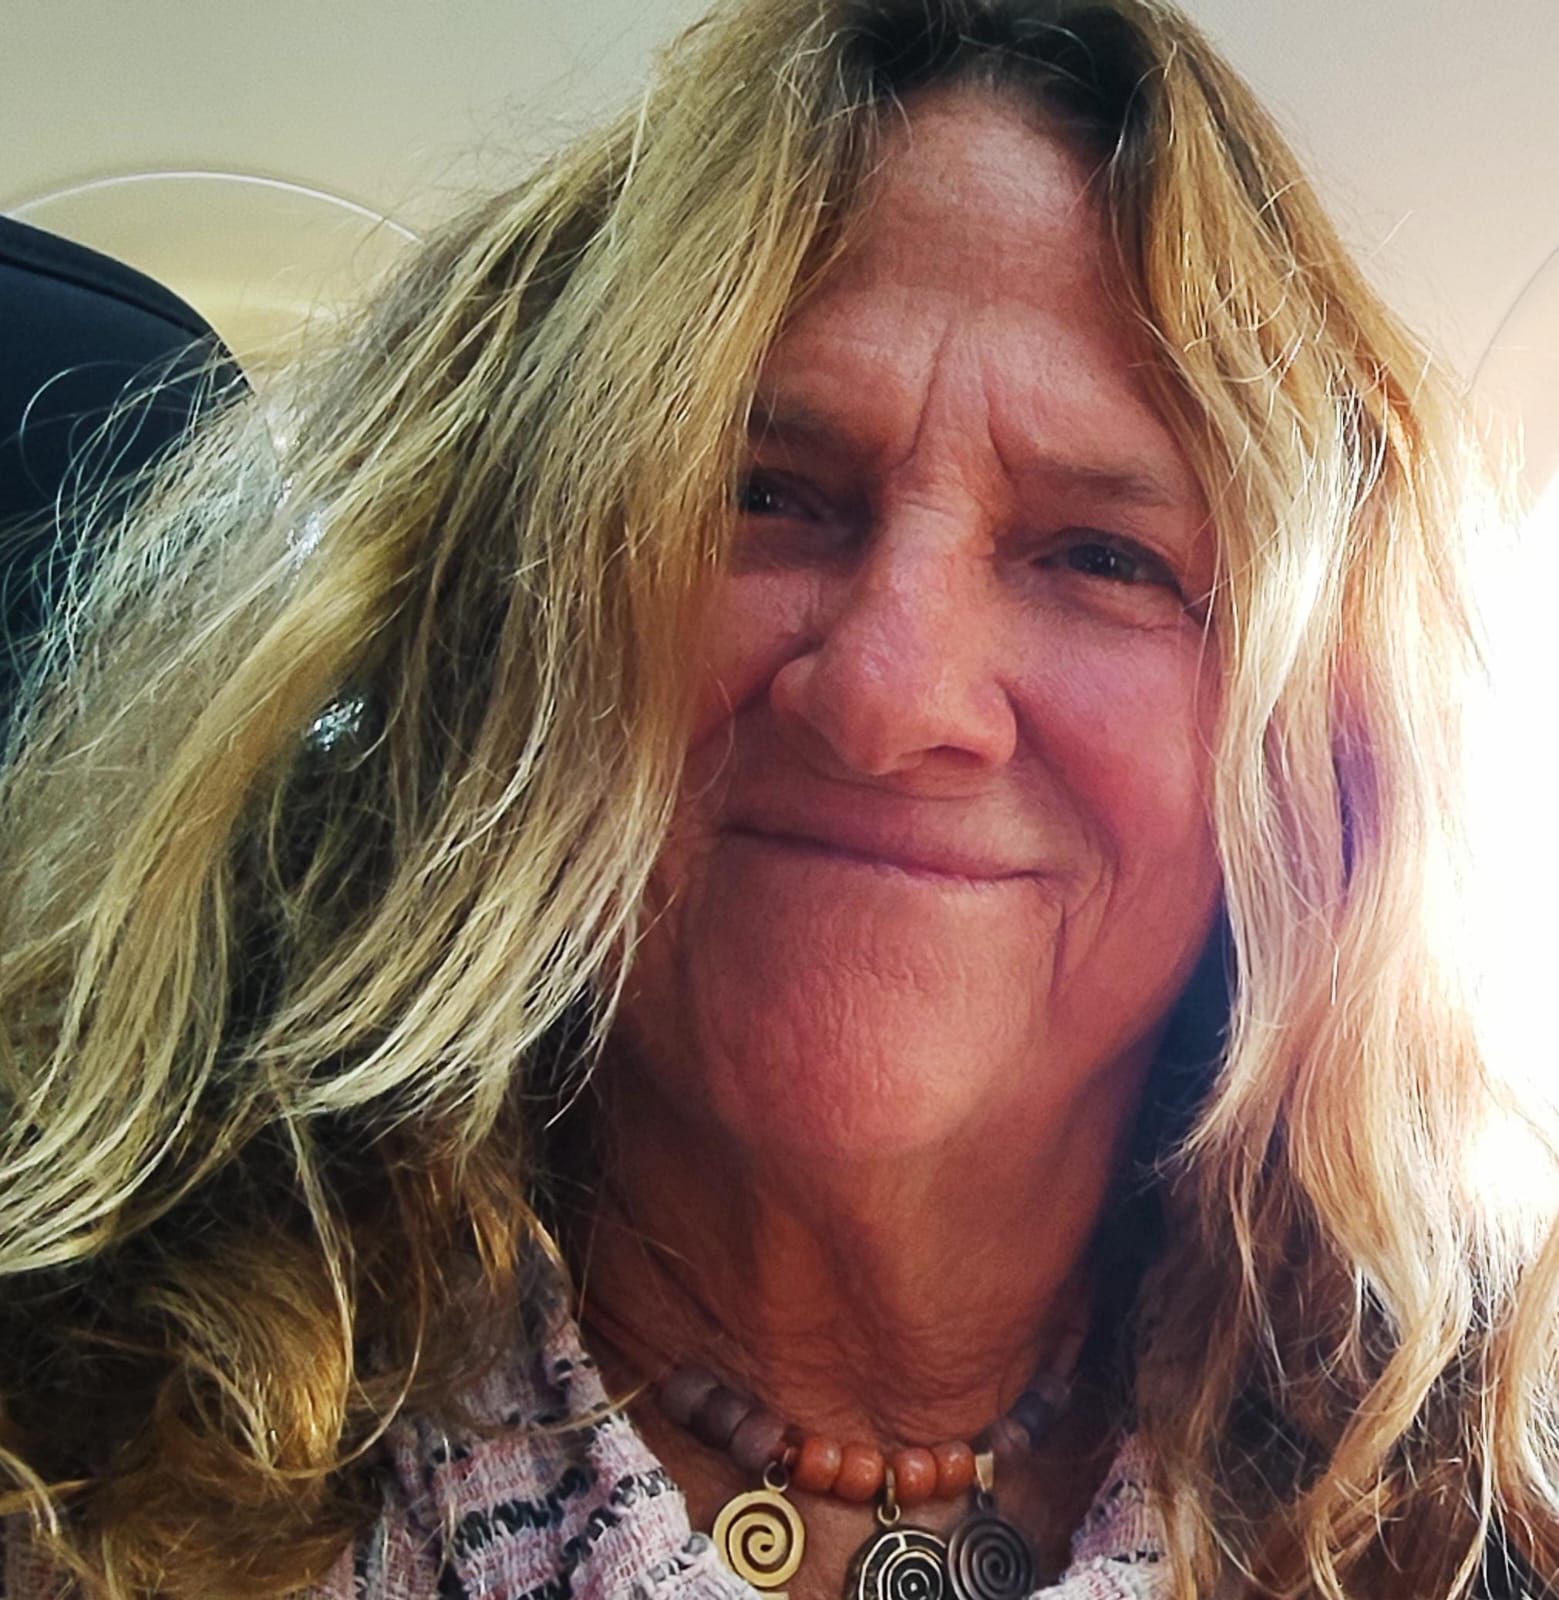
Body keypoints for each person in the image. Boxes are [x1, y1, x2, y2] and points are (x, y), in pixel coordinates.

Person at [1, 0, 1556, 1595]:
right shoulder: (75, 1452)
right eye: (762, 495)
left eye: (1104, 555)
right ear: (503, 619)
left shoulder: (1484, 1485)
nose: (889, 696)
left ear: (1315, 751)